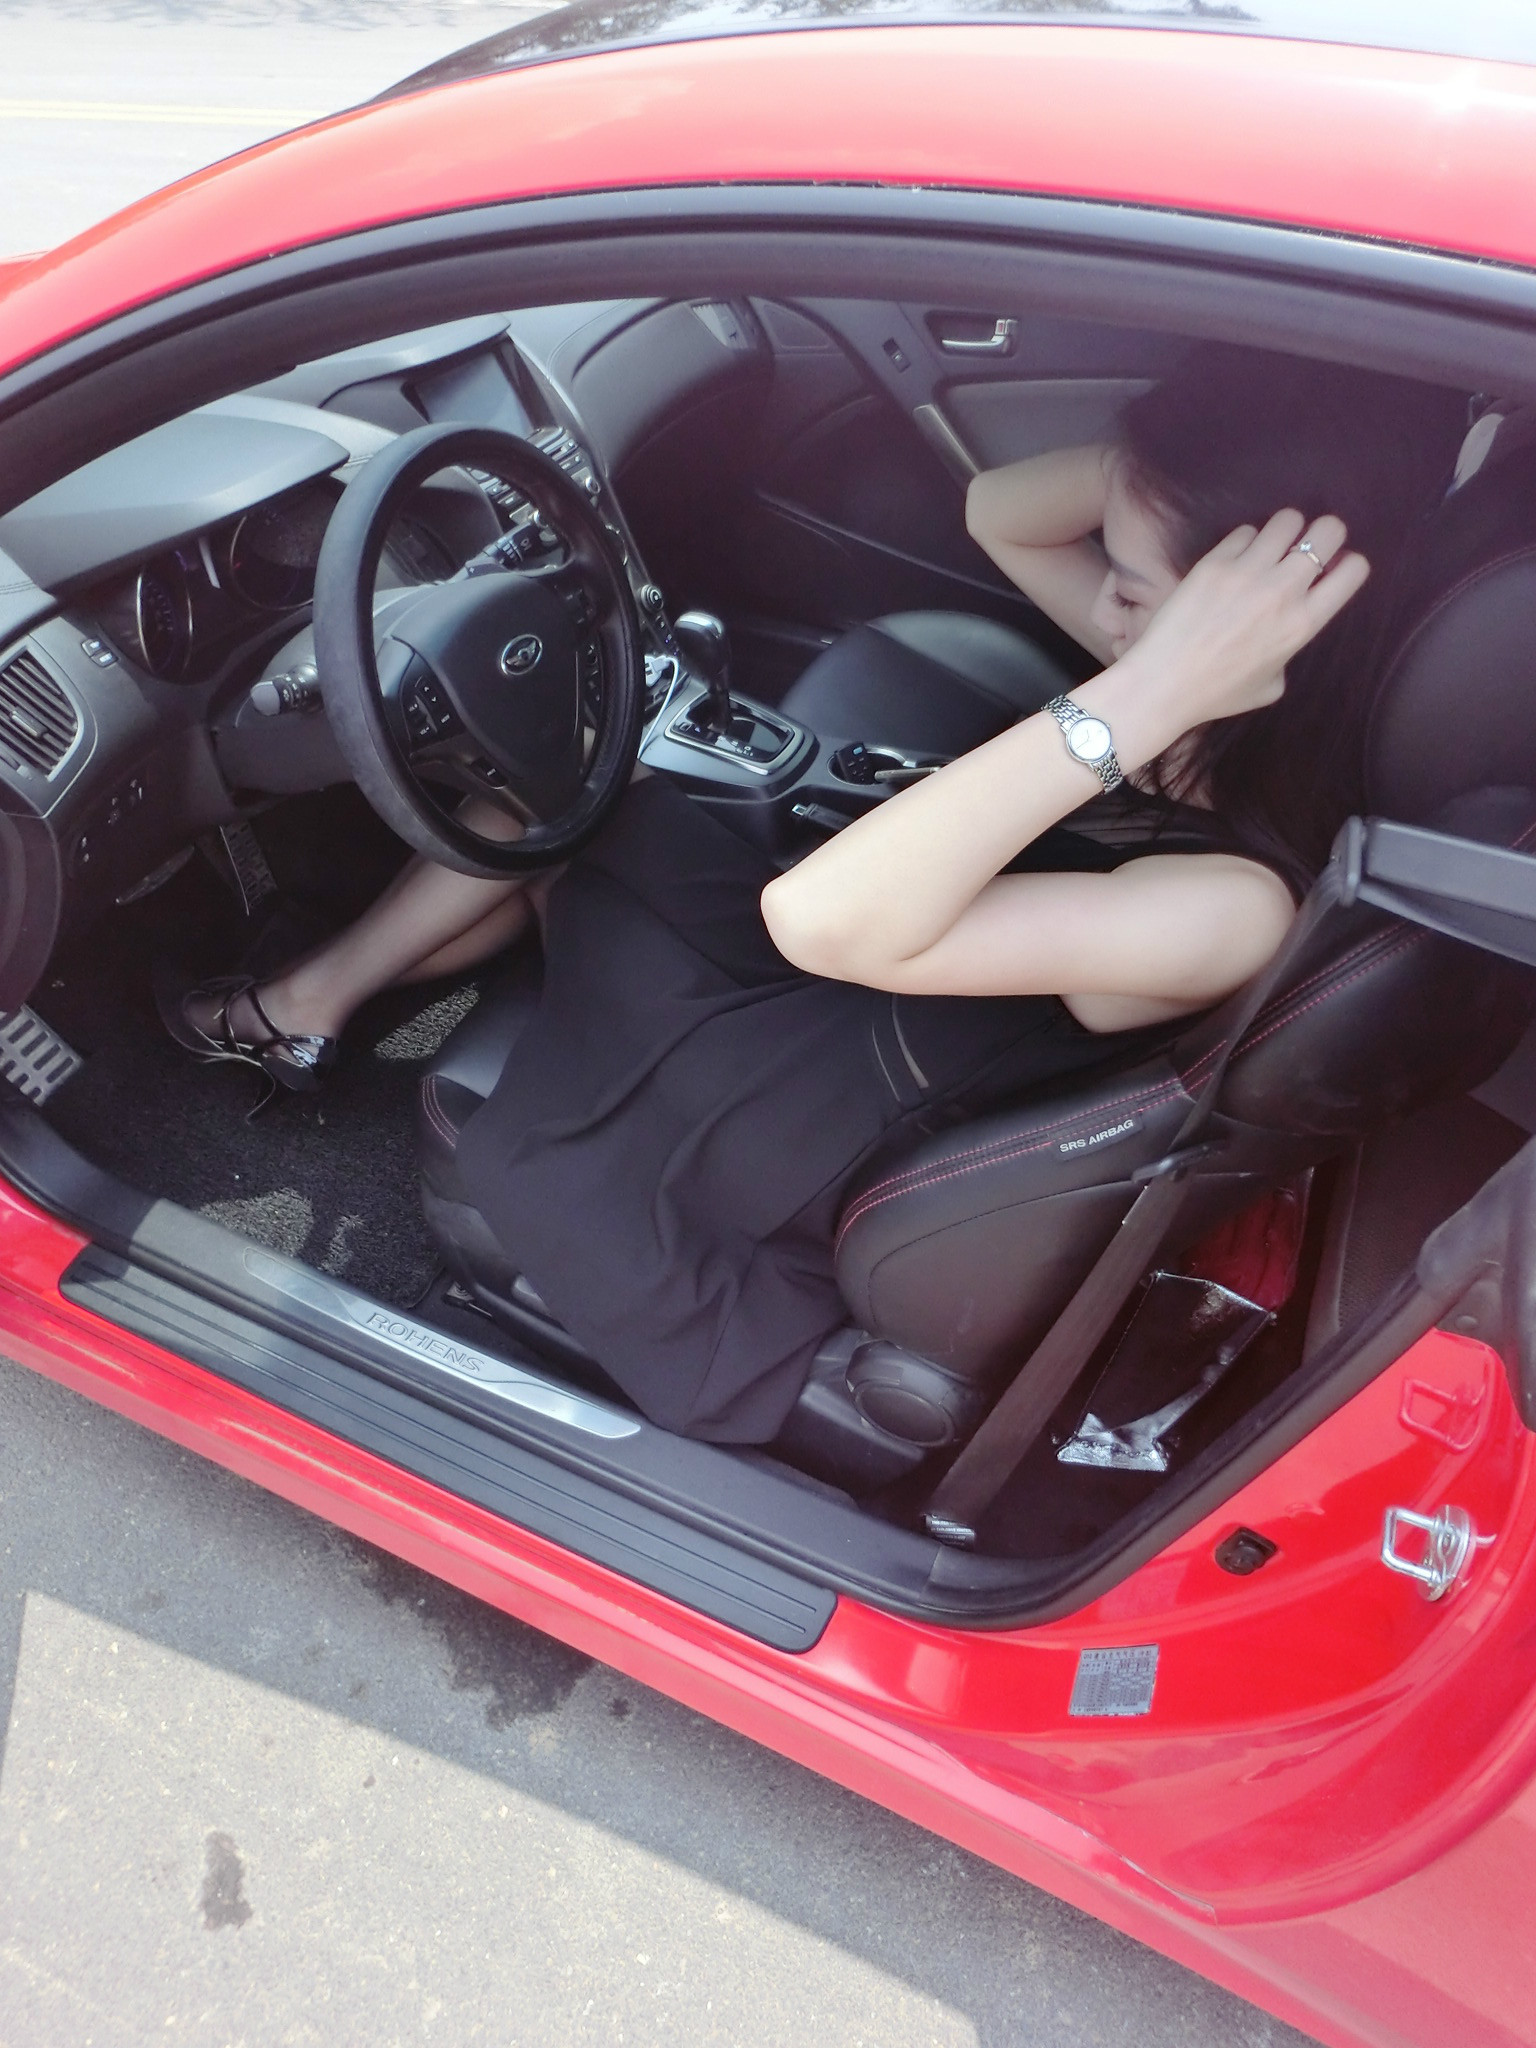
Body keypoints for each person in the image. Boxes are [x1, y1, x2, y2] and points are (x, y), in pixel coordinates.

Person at [160, 345, 1467, 1441]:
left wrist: (1148, 686)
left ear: (1266, 632)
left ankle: (297, 1006)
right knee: (578, 782)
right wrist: (1157, 506)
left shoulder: (1236, 900)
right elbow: (999, 511)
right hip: (883, 955)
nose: (1110, 611)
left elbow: (821, 922)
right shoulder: (1213, 721)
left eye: (1134, 589)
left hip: (812, 1072)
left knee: (558, 809)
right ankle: (327, 996)